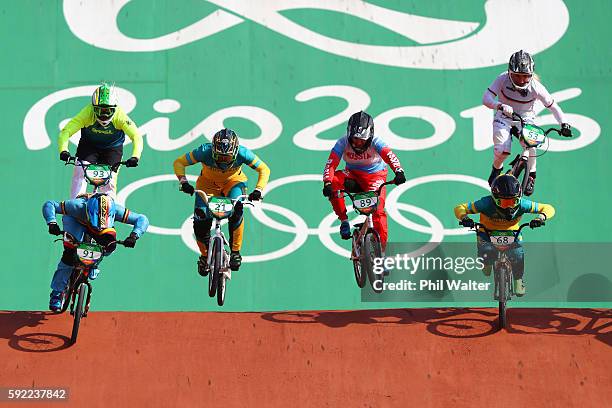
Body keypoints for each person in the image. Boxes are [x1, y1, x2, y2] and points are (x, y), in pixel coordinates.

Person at [173, 128, 270, 275]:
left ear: (235, 152)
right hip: (207, 184)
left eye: (227, 158)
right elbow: (179, 162)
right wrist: (183, 181)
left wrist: (259, 190)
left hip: (234, 183)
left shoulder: (243, 153)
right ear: (213, 151)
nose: (223, 161)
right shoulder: (204, 151)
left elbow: (264, 169)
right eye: (219, 157)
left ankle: (236, 252)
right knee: (200, 219)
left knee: (237, 209)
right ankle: (205, 256)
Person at [482, 50, 572, 195]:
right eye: (517, 76)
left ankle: (531, 175)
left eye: (525, 76)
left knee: (532, 144)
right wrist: (499, 105)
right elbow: (486, 98)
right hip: (504, 116)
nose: (522, 80)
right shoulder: (502, 79)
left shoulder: (536, 87)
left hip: (525, 118)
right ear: (509, 72)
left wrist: (564, 124)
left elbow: (553, 106)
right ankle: (496, 169)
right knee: (502, 151)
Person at [43, 193, 149, 312]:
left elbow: (142, 219)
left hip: (102, 229)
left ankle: (95, 262)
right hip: (76, 221)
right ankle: (57, 292)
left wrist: (134, 235)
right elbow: (50, 204)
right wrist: (52, 222)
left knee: (110, 244)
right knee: (69, 254)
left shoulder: (116, 210)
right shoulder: (77, 206)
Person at [454, 174, 555, 296]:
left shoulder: (523, 204)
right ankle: (487, 263)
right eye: (503, 202)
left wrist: (540, 218)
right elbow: (460, 208)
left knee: (518, 256)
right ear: (494, 198)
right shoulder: (486, 203)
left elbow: (548, 208)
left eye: (513, 201)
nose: (509, 206)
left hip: (512, 233)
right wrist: (465, 217)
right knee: (486, 260)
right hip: (487, 233)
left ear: (518, 198)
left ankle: (518, 280)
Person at [322, 111, 406, 250]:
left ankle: (382, 254)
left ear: (370, 136)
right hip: (353, 175)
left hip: (375, 176)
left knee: (378, 212)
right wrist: (327, 182)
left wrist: (399, 171)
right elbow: (331, 163)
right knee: (335, 181)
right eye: (354, 139)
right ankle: (344, 220)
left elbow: (389, 155)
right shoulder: (342, 142)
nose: (358, 143)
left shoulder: (376, 142)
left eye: (362, 139)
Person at [57, 82, 143, 198]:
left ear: (115, 109)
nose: (104, 115)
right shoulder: (87, 113)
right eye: (99, 110)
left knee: (109, 182)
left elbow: (136, 136)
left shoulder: (120, 116)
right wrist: (64, 150)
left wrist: (135, 156)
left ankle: (108, 211)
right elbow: (66, 131)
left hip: (112, 148)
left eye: (108, 111)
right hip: (89, 146)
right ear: (93, 108)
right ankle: (74, 204)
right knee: (80, 172)